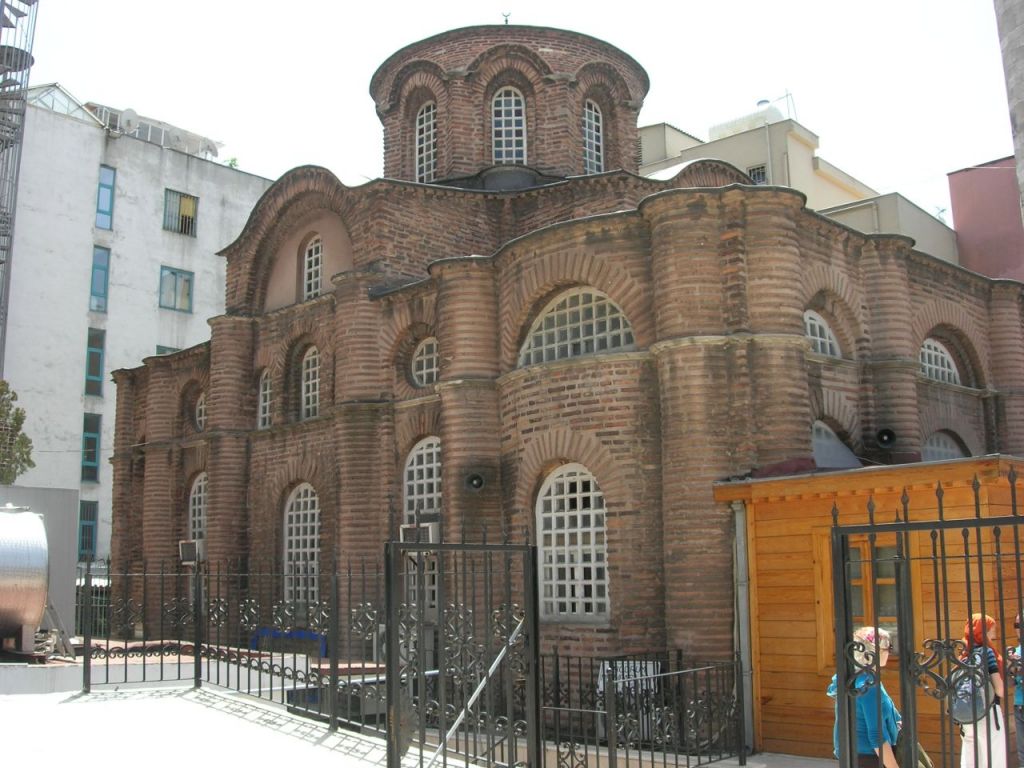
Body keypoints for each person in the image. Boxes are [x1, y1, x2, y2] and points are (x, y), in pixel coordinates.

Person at [829, 626, 901, 768]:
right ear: (874, 652)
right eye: (889, 647)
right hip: (870, 759)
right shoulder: (868, 686)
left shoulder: (857, 679)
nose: (890, 652)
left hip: (860, 756)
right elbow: (876, 736)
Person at [959, 614, 1006, 768]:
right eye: (990, 628)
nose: (994, 631)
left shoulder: (964, 655)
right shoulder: (987, 652)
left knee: (970, 759)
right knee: (993, 758)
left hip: (967, 715)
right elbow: (999, 690)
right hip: (988, 712)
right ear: (982, 632)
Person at [1009, 613, 1024, 768]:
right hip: (1019, 704)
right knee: (1022, 754)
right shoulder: (1017, 649)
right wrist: (1010, 668)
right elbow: (1010, 682)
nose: (1019, 629)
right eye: (1017, 625)